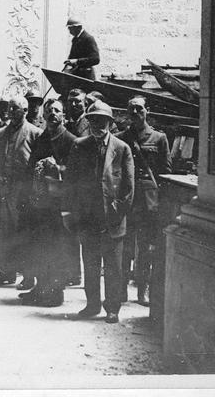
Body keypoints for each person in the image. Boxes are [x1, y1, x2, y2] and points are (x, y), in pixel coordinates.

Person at [64, 100, 134, 323]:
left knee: (113, 266)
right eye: (93, 120)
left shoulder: (122, 148)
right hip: (88, 217)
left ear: (110, 122)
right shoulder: (79, 145)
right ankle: (92, 304)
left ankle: (112, 308)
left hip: (112, 218)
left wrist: (116, 209)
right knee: (91, 264)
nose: (97, 124)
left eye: (102, 120)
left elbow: (129, 187)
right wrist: (72, 212)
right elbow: (71, 183)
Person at [19, 98, 78, 306]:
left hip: (59, 204)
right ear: (44, 116)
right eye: (49, 110)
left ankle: (55, 293)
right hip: (39, 202)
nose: (53, 113)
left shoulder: (71, 140)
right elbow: (31, 165)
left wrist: (58, 169)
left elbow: (78, 173)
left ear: (63, 116)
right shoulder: (42, 138)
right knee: (39, 246)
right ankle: (40, 288)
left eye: (57, 110)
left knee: (57, 248)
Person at [116, 95, 170, 307]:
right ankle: (121, 289)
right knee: (125, 245)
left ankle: (143, 289)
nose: (135, 113)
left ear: (148, 111)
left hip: (149, 201)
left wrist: (160, 201)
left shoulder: (159, 138)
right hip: (128, 199)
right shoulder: (120, 137)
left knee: (147, 247)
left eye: (139, 109)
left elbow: (165, 171)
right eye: (131, 110)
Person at [0, 95, 42, 286]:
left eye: (15, 108)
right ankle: (6, 272)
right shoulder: (0, 133)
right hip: (3, 189)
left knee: (24, 233)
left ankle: (28, 275)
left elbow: (38, 164)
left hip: (23, 191)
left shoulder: (35, 133)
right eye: (10, 108)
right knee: (3, 232)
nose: (10, 112)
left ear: (25, 111)